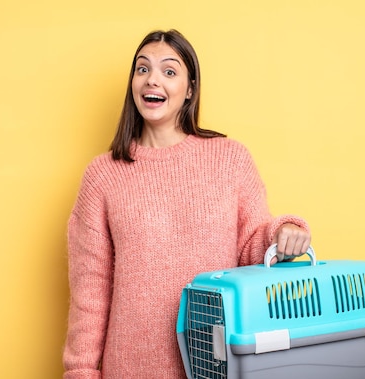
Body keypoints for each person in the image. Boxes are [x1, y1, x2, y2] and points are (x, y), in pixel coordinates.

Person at [63, 29, 311, 379]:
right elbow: (90, 292)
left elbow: (251, 245)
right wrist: (81, 372)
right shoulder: (103, 176)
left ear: (190, 88)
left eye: (169, 71)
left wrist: (284, 233)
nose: (153, 81)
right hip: (131, 367)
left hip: (217, 361)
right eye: (142, 69)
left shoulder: (230, 159)